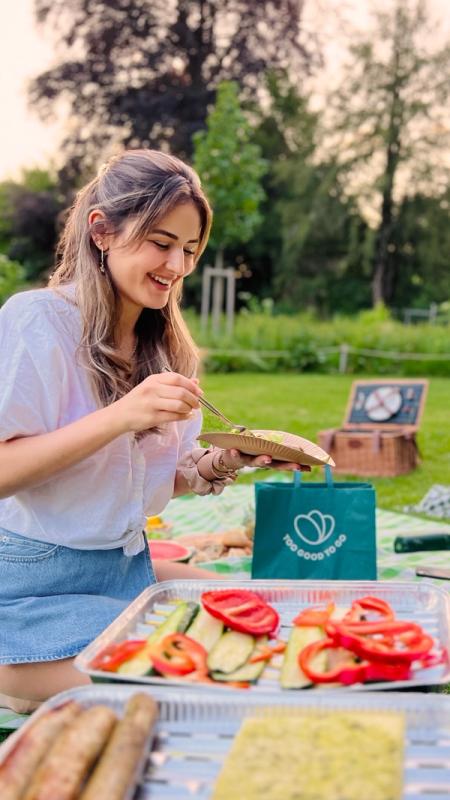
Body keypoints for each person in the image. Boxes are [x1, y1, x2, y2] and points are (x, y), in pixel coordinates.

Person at [0, 149, 304, 711]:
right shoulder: (36, 320)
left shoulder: (168, 350)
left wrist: (228, 460)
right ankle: (17, 672)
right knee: (171, 683)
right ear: (102, 232)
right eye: (161, 243)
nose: (178, 265)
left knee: (258, 620)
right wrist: (122, 416)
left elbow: (163, 477)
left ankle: (42, 672)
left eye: (190, 249)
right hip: (31, 584)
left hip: (124, 566)